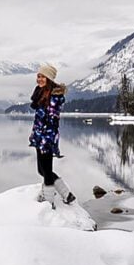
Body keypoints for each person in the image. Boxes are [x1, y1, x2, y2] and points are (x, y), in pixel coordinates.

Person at [29, 63, 75, 207]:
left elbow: (52, 121)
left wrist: (46, 139)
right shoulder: (41, 93)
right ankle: (67, 194)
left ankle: (49, 202)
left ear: (49, 79)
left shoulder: (54, 97)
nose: (39, 79)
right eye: (38, 76)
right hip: (39, 135)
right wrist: (36, 135)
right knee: (41, 170)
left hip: (47, 137)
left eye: (43, 77)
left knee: (46, 170)